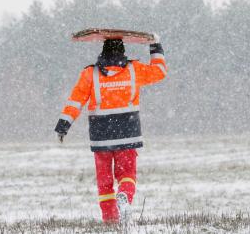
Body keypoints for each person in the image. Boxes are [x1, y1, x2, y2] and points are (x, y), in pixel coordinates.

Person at [54, 37, 167, 223]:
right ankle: (124, 195)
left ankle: (110, 220)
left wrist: (63, 125)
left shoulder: (90, 73)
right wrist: (155, 46)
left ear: (103, 52)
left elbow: (76, 100)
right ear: (123, 52)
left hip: (101, 136)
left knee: (104, 181)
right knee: (127, 175)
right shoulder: (134, 70)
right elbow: (160, 71)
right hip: (128, 133)